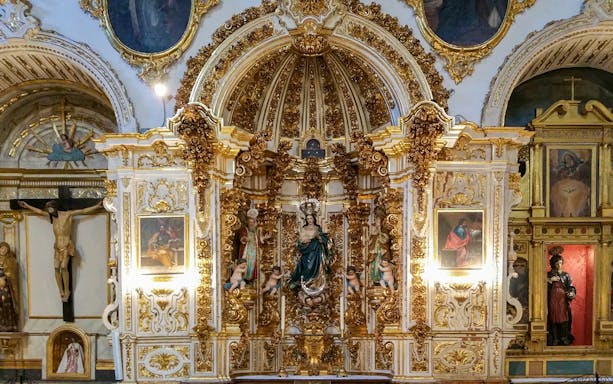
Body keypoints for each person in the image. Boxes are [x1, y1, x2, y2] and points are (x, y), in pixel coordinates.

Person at [18, 199, 103, 302]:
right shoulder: (52, 218)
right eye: (48, 210)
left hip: (66, 245)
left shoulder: (67, 215)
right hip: (57, 247)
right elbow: (39, 212)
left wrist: (97, 206)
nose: (49, 212)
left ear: (55, 208)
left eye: (50, 209)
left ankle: (67, 290)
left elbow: (83, 211)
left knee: (63, 267)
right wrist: (27, 206)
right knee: (56, 268)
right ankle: (61, 291)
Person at [289, 206, 331, 292]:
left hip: (316, 251)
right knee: (307, 267)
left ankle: (315, 283)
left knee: (317, 266)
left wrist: (319, 238)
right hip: (306, 250)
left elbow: (324, 239)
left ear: (314, 219)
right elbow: (300, 241)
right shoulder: (304, 229)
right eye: (307, 218)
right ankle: (305, 282)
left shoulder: (317, 228)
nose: (309, 220)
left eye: (311, 218)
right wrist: (304, 241)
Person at [546, 247, 576, 346]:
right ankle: (554, 338)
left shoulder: (565, 275)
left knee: (564, 318)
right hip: (553, 299)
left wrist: (571, 293)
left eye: (560, 263)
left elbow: (571, 286)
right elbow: (541, 287)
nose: (559, 265)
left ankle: (564, 337)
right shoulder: (548, 275)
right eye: (557, 263)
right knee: (553, 318)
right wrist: (550, 281)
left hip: (562, 299)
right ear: (553, 264)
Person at [234, 208, 264, 283]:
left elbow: (259, 241)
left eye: (253, 222)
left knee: (253, 264)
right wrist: (245, 239)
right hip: (246, 250)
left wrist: (264, 238)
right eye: (250, 222)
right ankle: (244, 278)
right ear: (247, 222)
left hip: (254, 251)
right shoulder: (244, 230)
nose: (252, 224)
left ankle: (251, 279)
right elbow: (241, 238)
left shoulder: (255, 232)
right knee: (245, 263)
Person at [368, 208, 390, 286]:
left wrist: (380, 230)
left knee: (380, 264)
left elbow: (385, 240)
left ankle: (381, 279)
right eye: (375, 220)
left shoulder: (384, 230)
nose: (376, 222)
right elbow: (370, 241)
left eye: (378, 220)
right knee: (374, 265)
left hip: (381, 252)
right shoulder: (374, 230)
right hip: (375, 252)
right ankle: (375, 279)